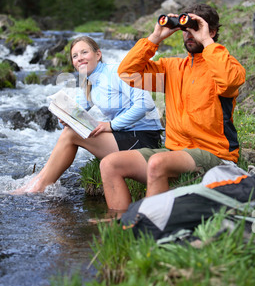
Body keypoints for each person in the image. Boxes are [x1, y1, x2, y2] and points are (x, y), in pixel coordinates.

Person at [100, 3, 246, 213]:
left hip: (215, 155)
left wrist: (207, 41)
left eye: (195, 29)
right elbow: (127, 73)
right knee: (109, 164)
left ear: (211, 31)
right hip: (174, 153)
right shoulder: (172, 68)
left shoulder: (227, 66)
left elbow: (230, 81)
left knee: (158, 162)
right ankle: (120, 225)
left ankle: (149, 226)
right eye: (185, 30)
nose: (189, 35)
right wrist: (155, 38)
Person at [16, 36, 163, 194]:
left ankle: (39, 187)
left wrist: (111, 125)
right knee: (70, 131)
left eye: (84, 52)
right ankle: (35, 183)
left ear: (98, 54)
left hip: (143, 138)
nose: (79, 58)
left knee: (72, 134)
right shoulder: (88, 82)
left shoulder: (117, 72)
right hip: (124, 135)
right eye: (75, 56)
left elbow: (145, 104)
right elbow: (75, 111)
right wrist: (64, 118)